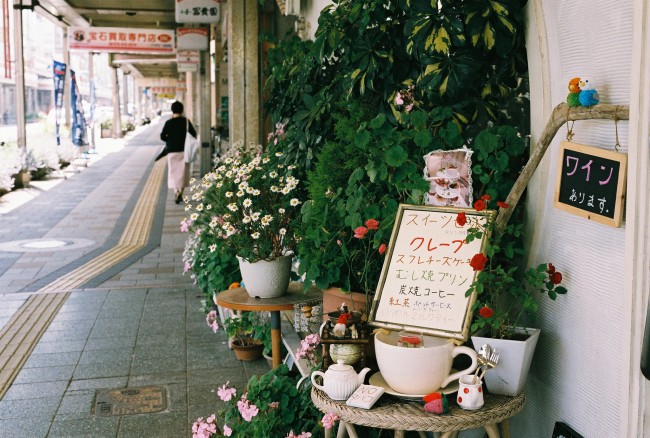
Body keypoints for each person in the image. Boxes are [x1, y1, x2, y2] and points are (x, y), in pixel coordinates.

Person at [160, 101, 197, 204]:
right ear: (182, 110)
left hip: (172, 152)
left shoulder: (169, 123)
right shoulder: (186, 122)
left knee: (173, 173)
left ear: (172, 110)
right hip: (184, 151)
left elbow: (162, 136)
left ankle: (176, 191)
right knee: (183, 173)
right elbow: (193, 134)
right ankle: (181, 191)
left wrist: (170, 140)